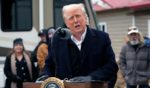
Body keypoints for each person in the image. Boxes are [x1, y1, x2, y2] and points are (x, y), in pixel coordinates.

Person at [43, 3, 118, 88]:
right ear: (66, 23)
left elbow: (111, 66)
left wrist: (90, 78)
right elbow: (49, 65)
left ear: (85, 17)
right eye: (71, 18)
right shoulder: (57, 40)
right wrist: (45, 76)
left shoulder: (102, 38)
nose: (75, 20)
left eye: (78, 16)